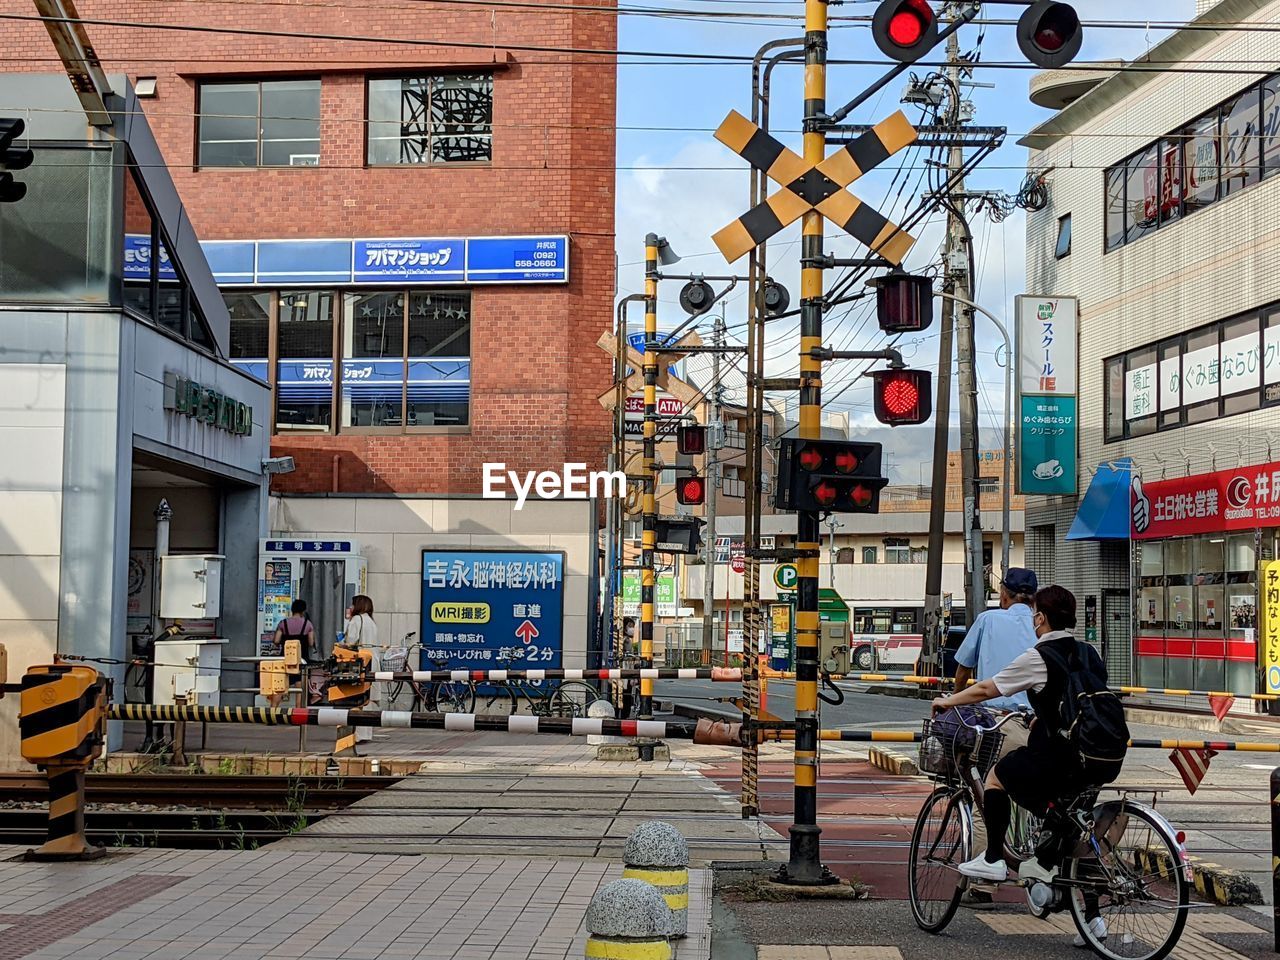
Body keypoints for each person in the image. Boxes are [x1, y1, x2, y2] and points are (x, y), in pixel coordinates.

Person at [931, 585, 1111, 946]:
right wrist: (1041, 720)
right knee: (1074, 831)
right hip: (1101, 757)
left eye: (1035, 615)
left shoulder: (1040, 655)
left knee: (999, 776)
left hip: (1059, 757)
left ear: (1040, 617)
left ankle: (995, 859)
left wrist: (948, 701)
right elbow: (1079, 703)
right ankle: (1093, 920)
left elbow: (987, 690)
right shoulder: (1089, 653)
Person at [952, 568, 1039, 864]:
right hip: (1039, 726)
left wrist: (955, 699)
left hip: (998, 722)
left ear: (1003, 594)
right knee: (1036, 798)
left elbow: (964, 668)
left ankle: (982, 880)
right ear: (1034, 599)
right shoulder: (1043, 627)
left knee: (985, 799)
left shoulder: (988, 620)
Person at [342, 595, 380, 743]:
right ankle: (366, 733)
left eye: (352, 604)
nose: (351, 607)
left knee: (357, 698)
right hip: (373, 661)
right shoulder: (371, 621)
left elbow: (351, 641)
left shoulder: (357, 620)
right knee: (368, 699)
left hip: (361, 663)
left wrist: (342, 643)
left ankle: (357, 734)